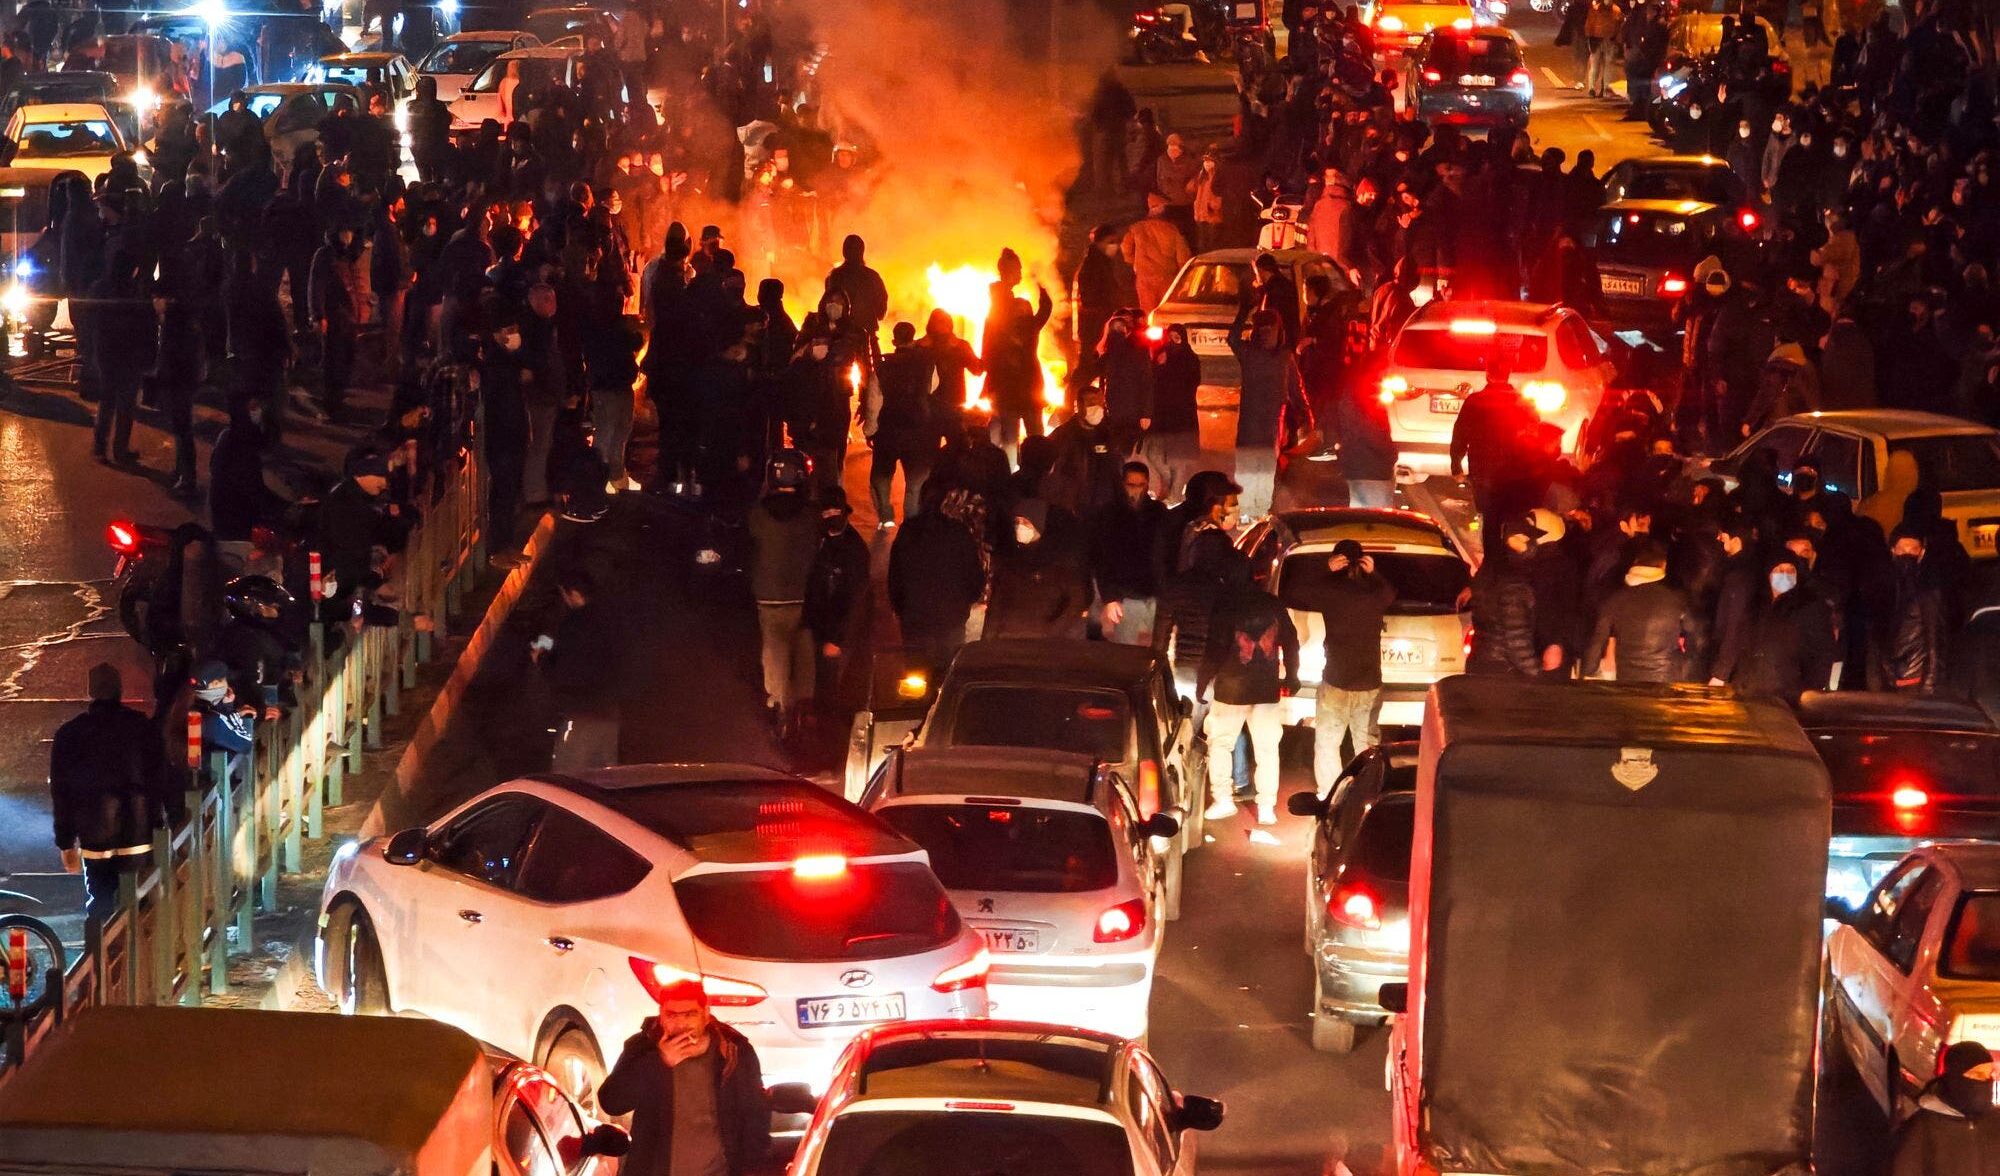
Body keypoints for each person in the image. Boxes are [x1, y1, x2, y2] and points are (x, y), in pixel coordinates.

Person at [598, 978, 771, 1176]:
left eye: (690, 1014)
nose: (681, 1023)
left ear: (705, 1015)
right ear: (661, 1015)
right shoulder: (643, 1047)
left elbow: (756, 1114)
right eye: (671, 1015)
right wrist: (659, 1062)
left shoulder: (733, 1052)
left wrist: (752, 1169)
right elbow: (612, 1102)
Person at [49, 663, 170, 924]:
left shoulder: (70, 734)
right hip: (138, 829)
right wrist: (162, 820)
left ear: (91, 691)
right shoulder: (142, 728)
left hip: (93, 834)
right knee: (142, 902)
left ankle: (106, 955)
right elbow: (160, 777)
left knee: (101, 905)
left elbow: (61, 793)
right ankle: (142, 959)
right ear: (119, 691)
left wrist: (66, 842)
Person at [1198, 551, 1299, 826]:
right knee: (1267, 748)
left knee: (1220, 744)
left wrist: (1202, 681)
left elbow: (1215, 648)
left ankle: (1223, 799)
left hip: (1231, 688)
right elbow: (1291, 641)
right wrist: (1292, 674)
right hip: (1266, 689)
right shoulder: (1272, 604)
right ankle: (1266, 806)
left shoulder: (1225, 605)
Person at [746, 449, 820, 736]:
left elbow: (749, 548)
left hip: (769, 593)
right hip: (802, 592)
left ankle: (779, 702)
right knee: (803, 646)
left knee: (774, 648)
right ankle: (804, 702)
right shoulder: (811, 515)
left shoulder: (759, 514)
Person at [1311, 539, 1396, 789]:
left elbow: (1301, 592)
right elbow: (1390, 593)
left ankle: (1330, 795)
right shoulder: (1374, 593)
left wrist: (1325, 570)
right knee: (1366, 744)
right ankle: (1366, 791)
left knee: (1328, 743)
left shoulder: (1330, 591)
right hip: (1369, 683)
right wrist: (1375, 574)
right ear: (1362, 561)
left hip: (1336, 681)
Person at [888, 482, 986, 668]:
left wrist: (899, 607)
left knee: (915, 673)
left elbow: (895, 575)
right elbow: (974, 575)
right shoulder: (959, 532)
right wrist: (966, 602)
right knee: (948, 671)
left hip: (915, 619)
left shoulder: (908, 531)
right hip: (951, 619)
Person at [534, 566, 622, 771]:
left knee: (567, 780)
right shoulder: (610, 620)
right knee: (607, 778)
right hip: (610, 716)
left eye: (564, 594)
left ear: (573, 594)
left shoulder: (572, 626)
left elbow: (563, 674)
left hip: (582, 717)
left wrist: (541, 660)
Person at [1228, 308, 1310, 524]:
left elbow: (1296, 388)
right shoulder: (1260, 355)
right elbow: (1296, 389)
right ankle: (1252, 515)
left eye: (1268, 330)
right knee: (1255, 473)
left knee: (1258, 474)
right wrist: (1305, 413)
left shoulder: (1274, 356)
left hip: (1263, 429)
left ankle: (1254, 516)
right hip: (1259, 429)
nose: (1265, 335)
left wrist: (1305, 415)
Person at [1580, 544, 1703, 682]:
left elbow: (1597, 641)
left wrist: (1588, 672)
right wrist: (1684, 664)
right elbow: (1697, 638)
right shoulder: (1676, 600)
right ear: (1663, 566)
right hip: (1667, 676)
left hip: (1627, 678)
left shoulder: (1616, 600)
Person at [864, 321, 939, 527]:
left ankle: (886, 516)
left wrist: (870, 430)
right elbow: (933, 387)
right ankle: (911, 525)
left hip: (889, 430)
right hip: (917, 430)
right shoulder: (927, 364)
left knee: (881, 477)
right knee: (916, 483)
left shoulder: (883, 367)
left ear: (894, 340)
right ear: (913, 338)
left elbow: (873, 402)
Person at [985, 498, 1090, 639]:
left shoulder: (1059, 562)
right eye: (1017, 522)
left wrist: (1051, 631)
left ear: (1038, 525)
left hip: (1042, 644)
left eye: (1026, 522)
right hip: (1008, 639)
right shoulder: (1012, 560)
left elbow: (1075, 601)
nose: (1019, 527)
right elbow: (997, 605)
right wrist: (989, 639)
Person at [804, 488, 870, 712]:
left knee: (830, 685)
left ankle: (826, 727)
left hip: (837, 632)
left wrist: (838, 639)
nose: (830, 518)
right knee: (819, 681)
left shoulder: (854, 550)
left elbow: (856, 600)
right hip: (820, 625)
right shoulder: (820, 539)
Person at [1892, 1040, 2000, 1176]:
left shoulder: (1996, 1122)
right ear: (1956, 1077)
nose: (1985, 1082)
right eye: (1978, 1075)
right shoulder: (1923, 1128)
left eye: (1989, 1075)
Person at [1090, 462, 1167, 645]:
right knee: (1127, 648)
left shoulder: (1158, 512)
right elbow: (1103, 557)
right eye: (1131, 485)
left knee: (1157, 647)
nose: (1137, 490)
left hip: (1154, 592)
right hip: (1127, 594)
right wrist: (1110, 597)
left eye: (1141, 485)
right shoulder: (1109, 514)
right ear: (1122, 484)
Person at [1467, 514, 1544, 677]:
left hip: (1481, 662)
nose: (1532, 545)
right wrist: (1535, 672)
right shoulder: (1514, 582)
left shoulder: (1490, 571)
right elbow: (1516, 637)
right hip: (1503, 671)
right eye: (1526, 539)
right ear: (1511, 541)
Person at [1882, 526, 1945, 694]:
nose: (1907, 555)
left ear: (1922, 553)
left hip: (1915, 679)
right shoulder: (1885, 589)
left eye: (1913, 550)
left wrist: (1929, 684)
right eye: (1902, 550)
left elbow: (1934, 640)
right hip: (1891, 680)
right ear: (1893, 551)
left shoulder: (1927, 591)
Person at [1122, 192, 1192, 311]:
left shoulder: (1137, 228)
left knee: (1148, 313)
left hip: (1144, 278)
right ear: (1163, 209)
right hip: (1167, 278)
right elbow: (1183, 258)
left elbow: (1125, 247)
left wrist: (1133, 262)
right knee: (1167, 313)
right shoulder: (1173, 230)